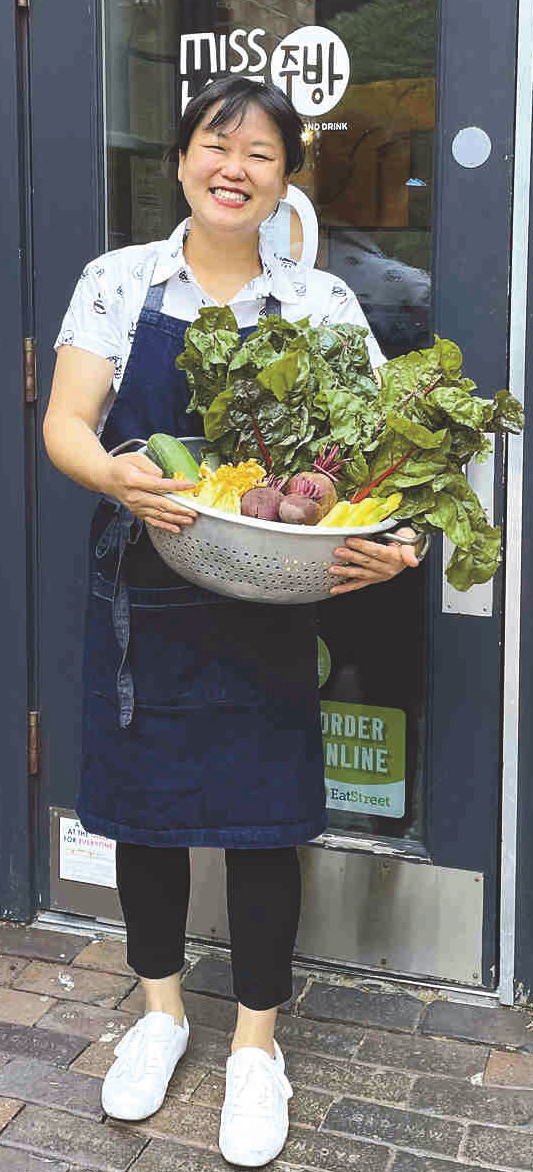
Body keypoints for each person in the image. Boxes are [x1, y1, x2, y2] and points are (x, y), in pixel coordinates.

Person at [43, 76, 423, 1167]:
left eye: (262, 152)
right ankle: (160, 1014)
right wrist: (120, 479)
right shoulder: (118, 281)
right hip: (142, 587)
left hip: (269, 597)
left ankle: (257, 1044)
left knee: (265, 821)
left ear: (285, 180)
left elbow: (373, 462)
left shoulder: (321, 304)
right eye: (218, 144)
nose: (235, 166)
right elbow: (68, 423)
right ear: (179, 161)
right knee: (146, 815)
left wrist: (381, 540)